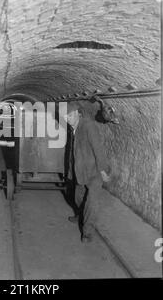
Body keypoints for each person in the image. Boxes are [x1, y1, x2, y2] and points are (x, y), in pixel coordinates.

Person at [62, 102, 110, 243]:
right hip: (81, 172)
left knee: (91, 203)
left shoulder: (88, 126)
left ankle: (87, 232)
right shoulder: (73, 129)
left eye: (69, 115)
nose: (67, 118)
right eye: (65, 116)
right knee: (78, 198)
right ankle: (80, 214)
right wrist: (71, 173)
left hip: (94, 172)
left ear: (77, 113)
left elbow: (98, 149)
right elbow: (73, 153)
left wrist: (103, 170)